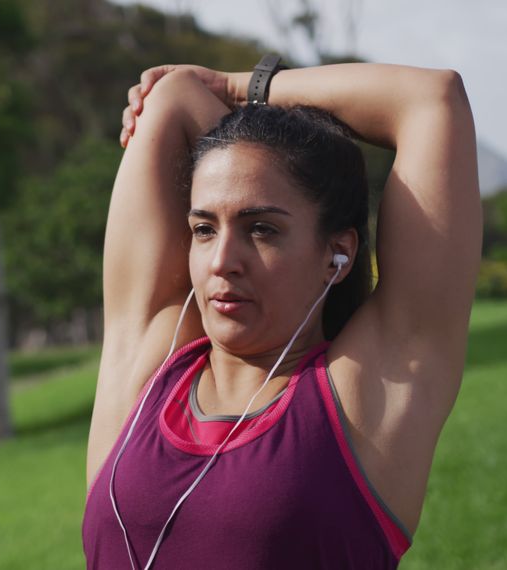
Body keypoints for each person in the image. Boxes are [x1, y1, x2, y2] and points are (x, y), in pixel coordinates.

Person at [82, 58, 480, 569]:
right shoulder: (147, 368)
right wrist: (241, 130)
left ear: (336, 253)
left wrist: (235, 88)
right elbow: (174, 96)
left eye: (262, 229)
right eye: (204, 229)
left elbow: (431, 99)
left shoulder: (368, 396)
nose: (222, 262)